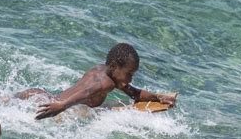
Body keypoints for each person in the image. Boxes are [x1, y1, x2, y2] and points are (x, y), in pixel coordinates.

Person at [16, 43, 177, 120]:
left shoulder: (103, 70)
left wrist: (158, 97)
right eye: (129, 74)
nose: (130, 79)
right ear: (114, 66)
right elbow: (87, 92)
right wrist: (62, 106)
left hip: (40, 95)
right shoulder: (106, 83)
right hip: (51, 107)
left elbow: (135, 93)